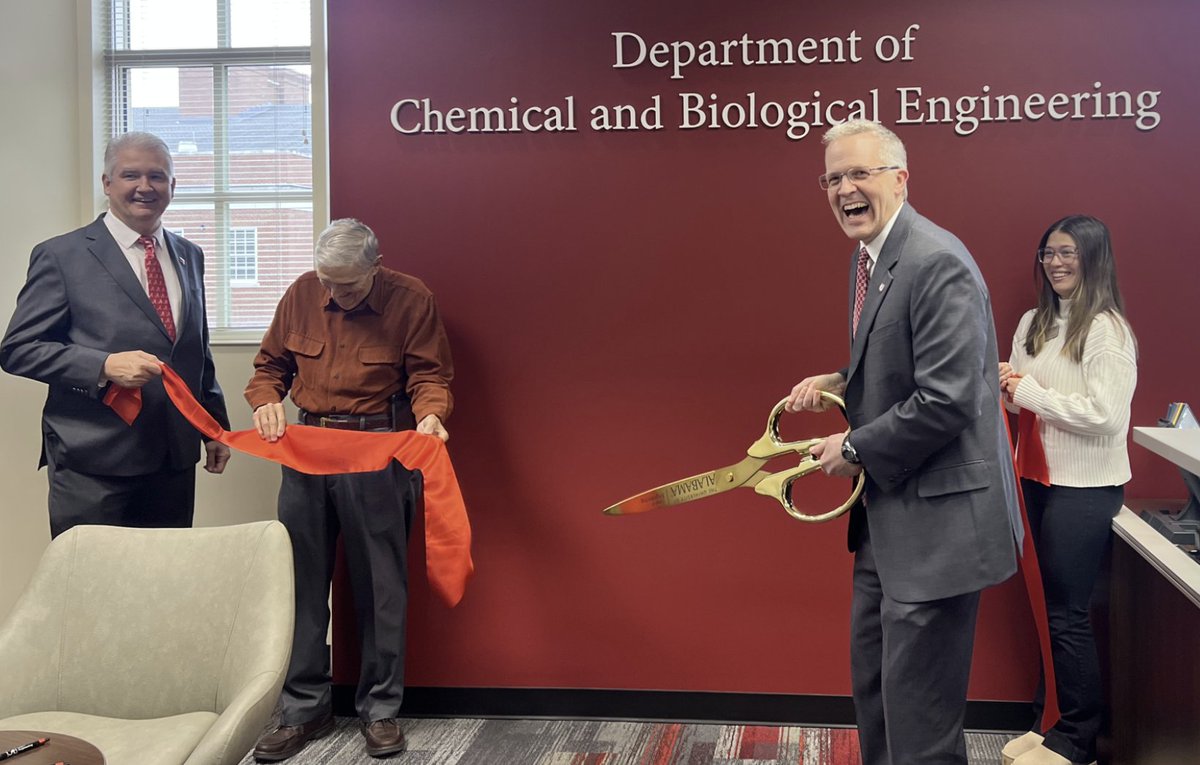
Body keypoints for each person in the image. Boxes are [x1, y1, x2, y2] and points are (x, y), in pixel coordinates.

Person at [785, 119, 1022, 765]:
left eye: (859, 173)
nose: (845, 189)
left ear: (900, 178)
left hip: (938, 530)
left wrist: (853, 447)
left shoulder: (935, 259)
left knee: (921, 723)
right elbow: (912, 361)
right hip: (889, 524)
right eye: (833, 178)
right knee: (882, 698)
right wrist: (841, 376)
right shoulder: (874, 255)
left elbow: (949, 397)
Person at [246, 218, 453, 761]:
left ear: (375, 269)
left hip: (377, 450)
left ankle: (381, 711)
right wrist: (266, 398)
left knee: (382, 586)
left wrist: (430, 417)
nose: (334, 294)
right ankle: (303, 710)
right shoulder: (300, 293)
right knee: (301, 583)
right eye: (326, 281)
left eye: (348, 285)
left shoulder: (411, 299)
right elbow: (269, 366)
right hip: (307, 449)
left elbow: (431, 376)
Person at [0, 132, 230, 537]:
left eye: (157, 176)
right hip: (93, 460)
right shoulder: (61, 255)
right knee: (92, 585)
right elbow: (18, 349)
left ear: (173, 186)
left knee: (162, 583)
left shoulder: (189, 254)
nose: (145, 187)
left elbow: (196, 349)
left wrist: (214, 427)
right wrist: (103, 365)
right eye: (130, 175)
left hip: (172, 459)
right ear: (107, 184)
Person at [998, 216, 1136, 765]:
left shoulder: (1108, 330)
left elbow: (1105, 417)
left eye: (1068, 253)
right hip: (1035, 479)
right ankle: (1048, 719)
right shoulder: (1034, 322)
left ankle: (1077, 739)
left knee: (1067, 613)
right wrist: (1009, 389)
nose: (1055, 263)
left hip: (1085, 488)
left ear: (1093, 259)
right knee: (1043, 608)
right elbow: (1021, 406)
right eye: (1048, 253)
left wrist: (1027, 389)